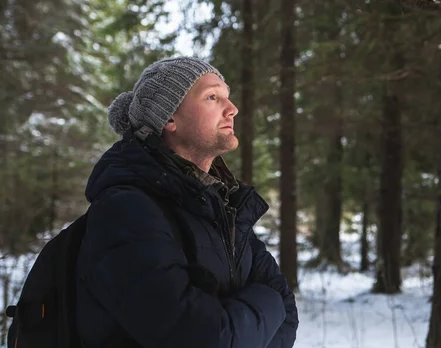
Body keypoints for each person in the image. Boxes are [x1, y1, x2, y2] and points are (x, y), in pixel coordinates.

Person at [76, 57, 298, 347]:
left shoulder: (223, 206)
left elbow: (288, 318)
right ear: (169, 118)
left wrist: (243, 324)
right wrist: (269, 304)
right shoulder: (126, 211)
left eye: (227, 97)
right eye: (212, 97)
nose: (232, 109)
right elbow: (199, 338)